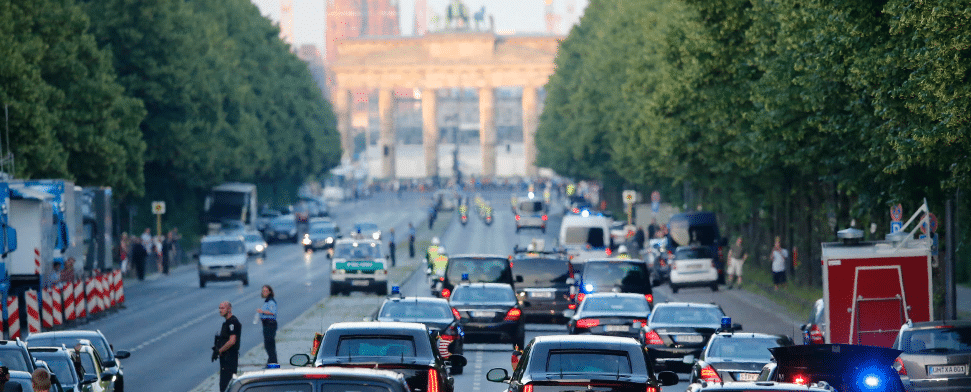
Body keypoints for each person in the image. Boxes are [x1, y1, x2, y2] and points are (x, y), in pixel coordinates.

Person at [214, 301, 241, 392]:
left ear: (229, 309)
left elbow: (232, 341)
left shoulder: (232, 322)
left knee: (226, 386)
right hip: (225, 360)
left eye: (222, 308)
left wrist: (220, 350)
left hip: (230, 359)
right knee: (224, 385)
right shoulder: (226, 323)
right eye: (219, 308)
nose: (220, 310)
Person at [257, 285, 278, 365]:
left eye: (266, 291)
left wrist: (262, 312)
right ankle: (271, 361)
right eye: (263, 291)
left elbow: (273, 312)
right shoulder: (267, 301)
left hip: (270, 324)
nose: (264, 292)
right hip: (266, 324)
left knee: (269, 344)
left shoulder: (271, 301)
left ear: (270, 292)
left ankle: (273, 362)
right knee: (267, 344)